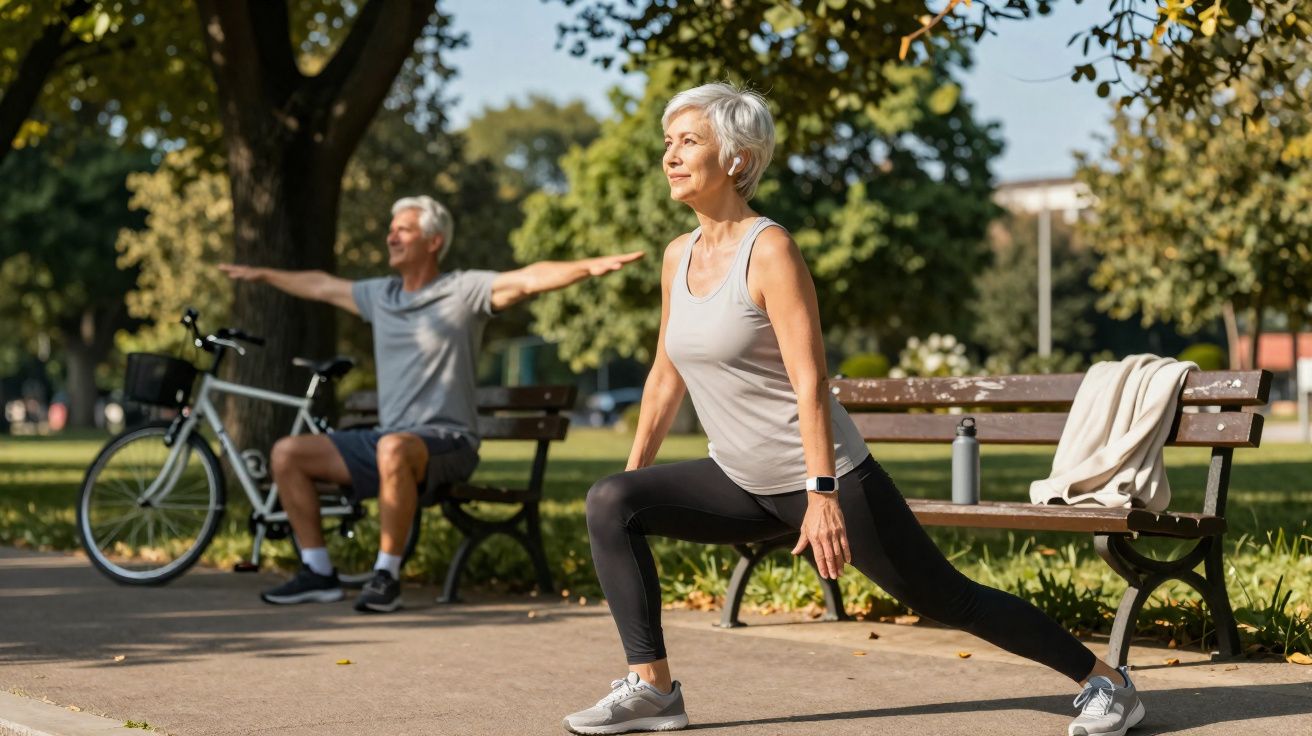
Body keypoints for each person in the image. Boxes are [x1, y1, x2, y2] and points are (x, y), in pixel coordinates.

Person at [561, 84, 1145, 736]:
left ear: (735, 158)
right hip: (739, 478)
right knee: (611, 500)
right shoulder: (679, 256)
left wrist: (822, 493)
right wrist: (635, 477)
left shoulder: (770, 249)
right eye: (668, 142)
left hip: (823, 474)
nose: (670, 156)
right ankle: (652, 689)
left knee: (945, 597)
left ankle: (1106, 682)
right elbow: (665, 375)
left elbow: (810, 381)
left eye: (689, 141)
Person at [220, 195, 641, 613]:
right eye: (391, 230)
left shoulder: (462, 290)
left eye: (403, 230)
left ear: (434, 241)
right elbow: (320, 285)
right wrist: (263, 274)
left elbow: (527, 279)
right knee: (288, 453)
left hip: (449, 443)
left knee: (392, 447)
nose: (391, 237)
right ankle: (318, 572)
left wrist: (588, 266)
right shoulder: (380, 296)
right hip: (390, 442)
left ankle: (385, 576)